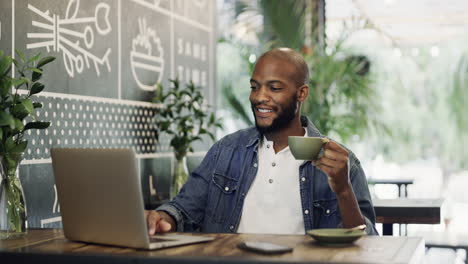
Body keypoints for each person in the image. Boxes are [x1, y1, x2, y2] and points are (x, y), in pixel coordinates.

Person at [145, 48, 378, 235]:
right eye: (254, 87)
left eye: (274, 88)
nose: (259, 97)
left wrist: (343, 190)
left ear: (301, 94)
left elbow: (365, 244)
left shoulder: (340, 162)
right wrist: (162, 218)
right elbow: (183, 211)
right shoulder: (226, 151)